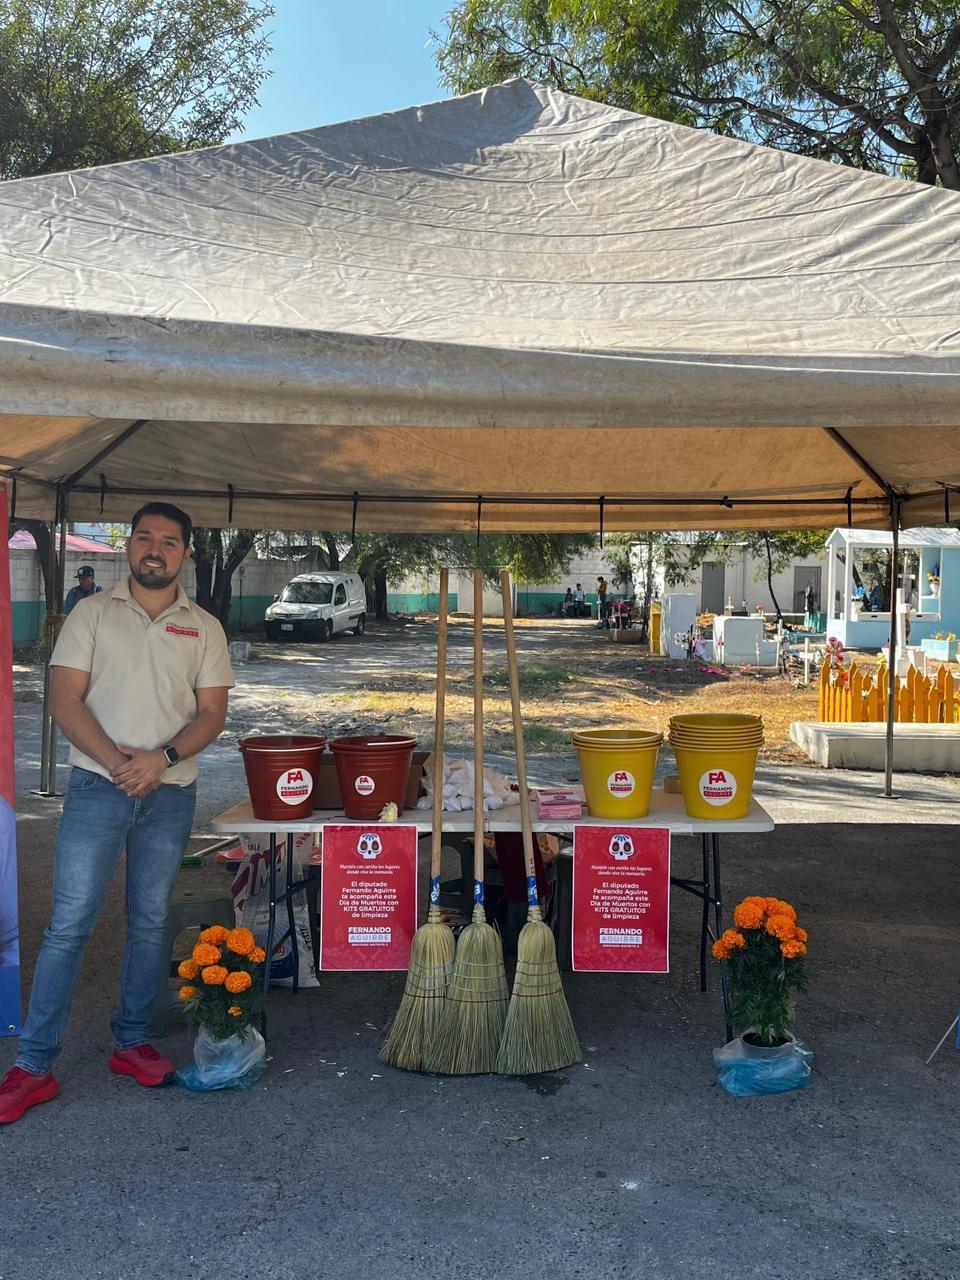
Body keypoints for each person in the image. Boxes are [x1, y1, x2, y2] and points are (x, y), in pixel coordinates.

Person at [0, 502, 235, 1125]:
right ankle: (33, 1064)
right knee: (71, 923)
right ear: (129, 546)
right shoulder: (92, 613)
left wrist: (158, 760)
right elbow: (63, 698)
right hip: (98, 788)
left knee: (151, 921)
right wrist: (119, 764)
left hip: (171, 790)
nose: (155, 549)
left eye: (170, 541)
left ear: (186, 554)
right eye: (144, 538)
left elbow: (211, 713)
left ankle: (132, 1042)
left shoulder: (204, 626)